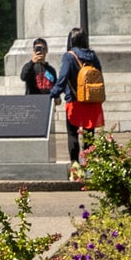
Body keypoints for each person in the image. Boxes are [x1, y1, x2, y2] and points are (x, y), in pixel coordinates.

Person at [55, 27, 105, 163]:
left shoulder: (69, 56)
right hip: (91, 100)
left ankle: (75, 165)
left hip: (74, 100)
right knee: (89, 135)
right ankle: (89, 164)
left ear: (70, 40)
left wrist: (54, 93)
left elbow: (63, 77)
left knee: (73, 134)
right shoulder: (92, 56)